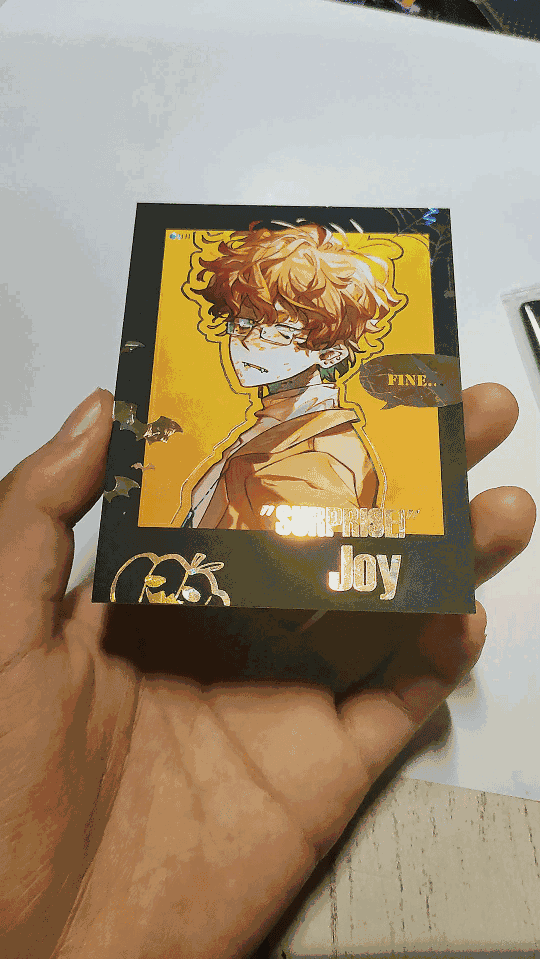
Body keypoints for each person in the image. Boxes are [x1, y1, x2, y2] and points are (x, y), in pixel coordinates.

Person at [0, 383, 535, 958]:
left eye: (279, 335)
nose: (246, 347)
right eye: (244, 331)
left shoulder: (332, 446)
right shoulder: (247, 424)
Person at [174, 223, 405, 530]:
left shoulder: (311, 462)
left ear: (331, 354)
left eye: (280, 332)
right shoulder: (278, 432)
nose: (249, 342)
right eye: (243, 323)